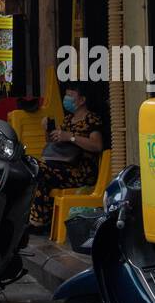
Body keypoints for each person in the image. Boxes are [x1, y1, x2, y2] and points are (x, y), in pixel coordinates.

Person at [28, 85, 104, 233]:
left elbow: (97, 145)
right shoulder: (68, 120)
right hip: (62, 166)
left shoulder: (92, 119)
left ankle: (40, 221)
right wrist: (47, 130)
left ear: (82, 100)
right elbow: (53, 144)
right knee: (33, 168)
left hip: (81, 171)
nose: (66, 99)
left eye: (71, 96)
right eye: (66, 95)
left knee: (41, 170)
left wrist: (71, 137)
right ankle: (39, 219)